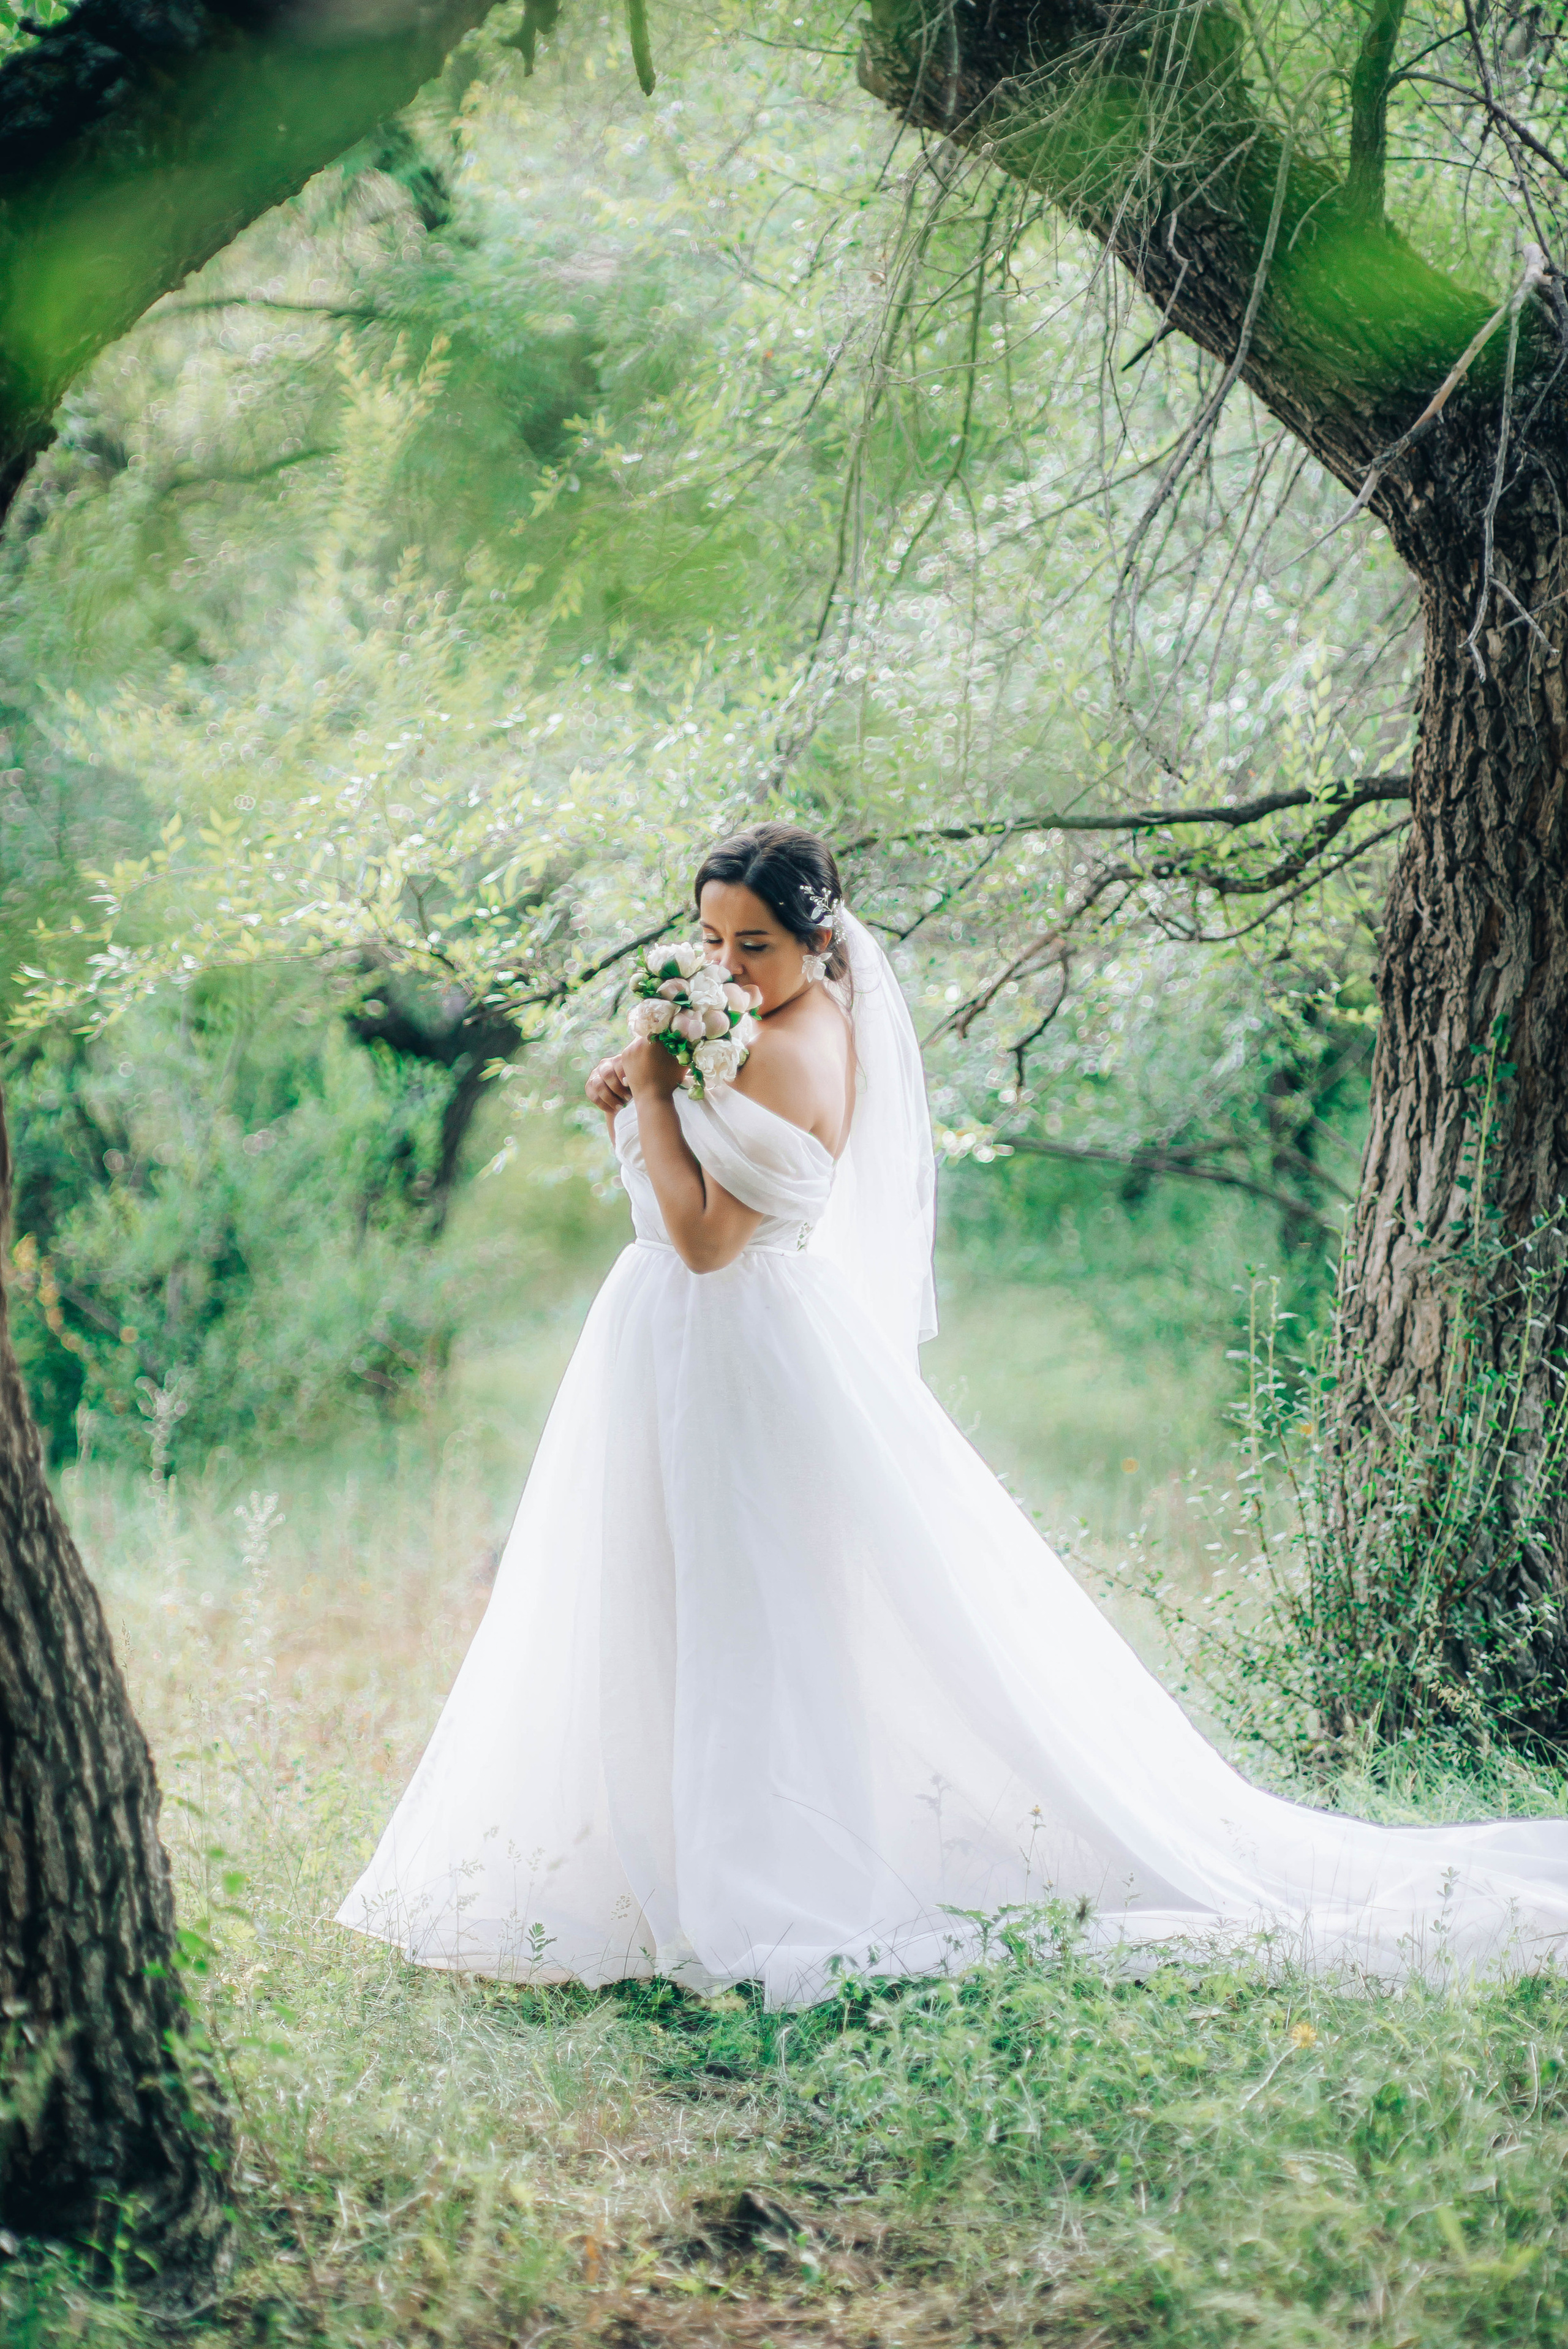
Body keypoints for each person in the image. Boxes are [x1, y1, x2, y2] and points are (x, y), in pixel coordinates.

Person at [338, 823, 1568, 2006]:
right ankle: (626, 1862)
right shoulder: (771, 1020)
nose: (722, 969)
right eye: (708, 942)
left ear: (818, 946)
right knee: (655, 1595)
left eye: (751, 946)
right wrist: (654, 1084)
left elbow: (708, 1239)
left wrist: (648, 1099)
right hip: (687, 1348)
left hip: (729, 1342)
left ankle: (748, 1873)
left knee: (734, 1606)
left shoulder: (783, 1045)